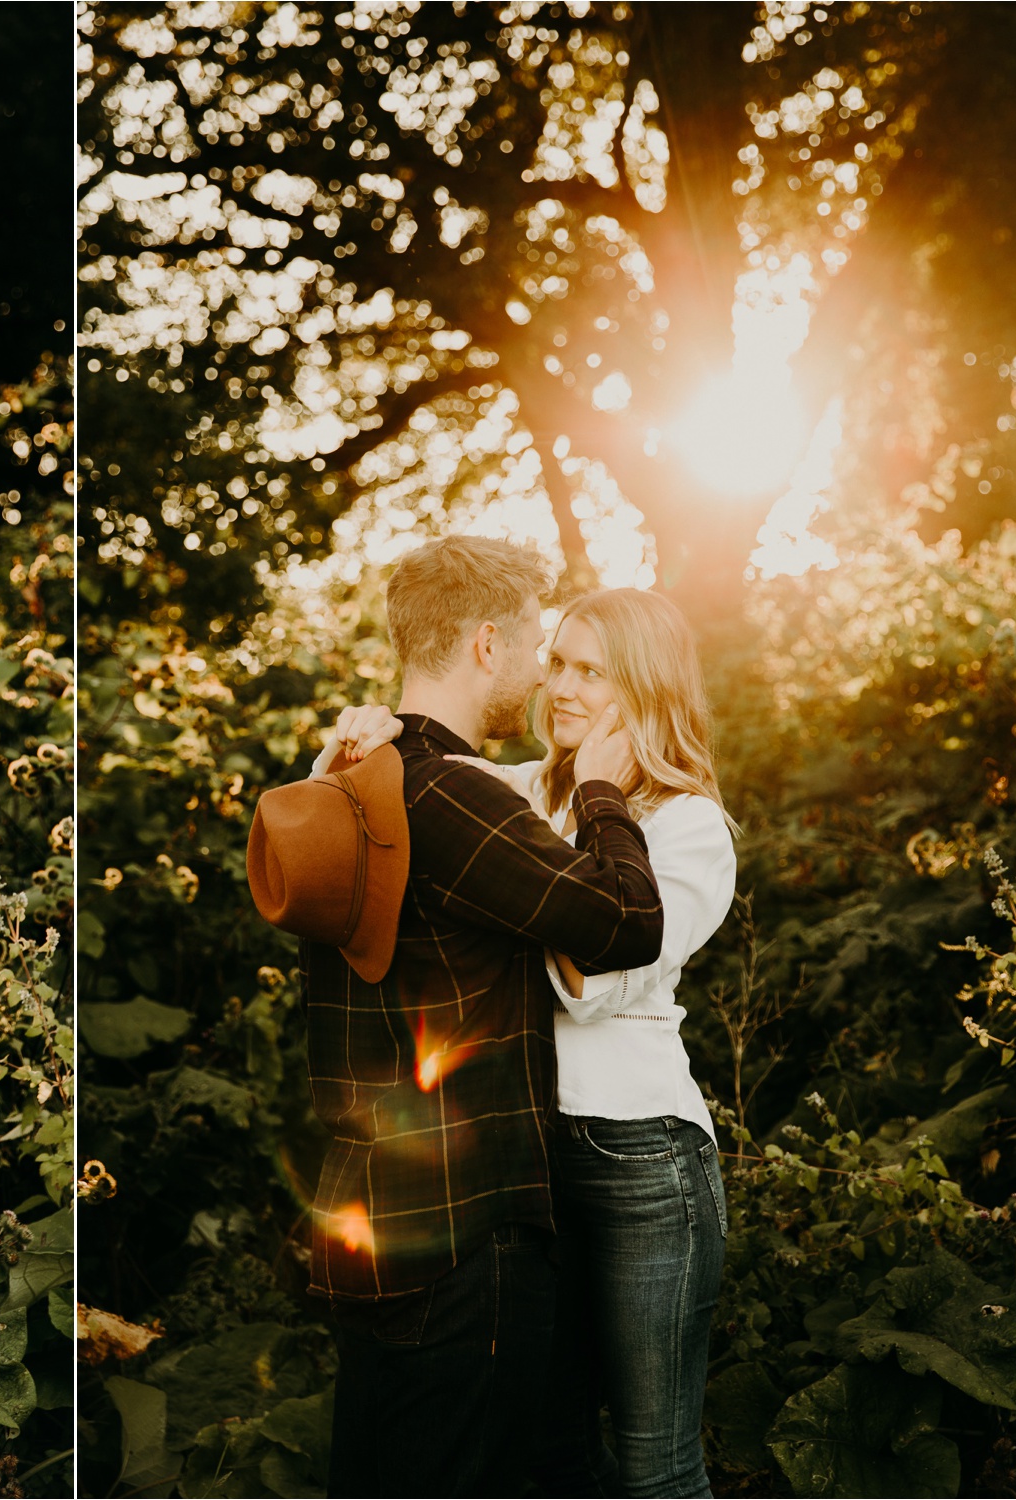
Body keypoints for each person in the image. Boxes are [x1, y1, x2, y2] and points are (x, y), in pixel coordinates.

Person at [331, 587, 737, 1498]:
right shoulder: (517, 790)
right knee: (550, 1446)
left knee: (654, 1461)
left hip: (641, 1159)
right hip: (526, 1159)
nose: (561, 687)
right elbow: (426, 774)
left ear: (645, 688)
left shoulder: (688, 826)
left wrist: (597, 800)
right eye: (556, 661)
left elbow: (598, 979)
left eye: (593, 670)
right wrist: (375, 723)